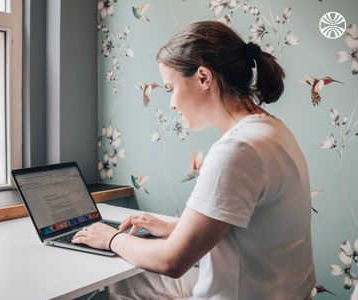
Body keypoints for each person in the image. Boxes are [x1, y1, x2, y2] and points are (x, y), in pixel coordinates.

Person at [72, 20, 316, 299]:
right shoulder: (272, 130)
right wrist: (175, 228)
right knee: (134, 280)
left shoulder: (237, 150)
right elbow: (247, 223)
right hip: (284, 290)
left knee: (124, 283)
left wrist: (112, 238)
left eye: (170, 88)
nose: (171, 103)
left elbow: (171, 261)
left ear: (203, 77)